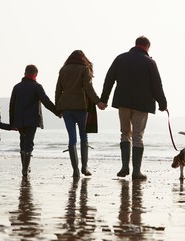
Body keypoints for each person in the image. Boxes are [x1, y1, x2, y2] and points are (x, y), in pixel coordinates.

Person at [100, 36, 168, 180]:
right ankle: (136, 171)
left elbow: (109, 79)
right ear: (147, 47)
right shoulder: (150, 62)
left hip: (123, 102)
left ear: (136, 44)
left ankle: (125, 167)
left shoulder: (120, 58)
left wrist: (103, 100)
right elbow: (157, 85)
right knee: (137, 136)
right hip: (142, 105)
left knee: (125, 134)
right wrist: (163, 104)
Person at [55, 50, 107, 178]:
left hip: (66, 107)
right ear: (83, 59)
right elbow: (88, 88)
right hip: (81, 107)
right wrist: (98, 102)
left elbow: (58, 89)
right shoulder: (85, 69)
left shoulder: (63, 70)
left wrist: (58, 108)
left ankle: (75, 170)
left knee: (72, 138)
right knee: (84, 137)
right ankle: (84, 167)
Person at [10, 64, 60, 177]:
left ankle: (24, 168)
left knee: (23, 143)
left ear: (25, 73)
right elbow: (46, 102)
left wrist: (12, 123)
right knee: (29, 143)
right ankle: (25, 169)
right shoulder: (37, 87)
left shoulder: (17, 87)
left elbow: (11, 106)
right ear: (35, 74)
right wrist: (57, 112)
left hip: (19, 120)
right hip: (32, 120)